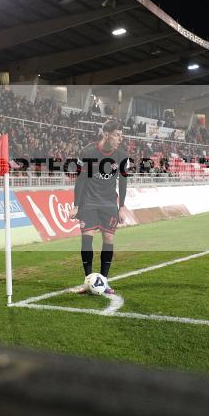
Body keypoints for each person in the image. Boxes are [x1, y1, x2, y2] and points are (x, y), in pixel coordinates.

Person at [68, 120, 129, 294]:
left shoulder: (122, 156)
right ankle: (88, 281)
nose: (120, 139)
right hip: (89, 201)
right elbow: (80, 181)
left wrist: (122, 207)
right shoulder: (88, 152)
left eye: (121, 135)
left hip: (109, 202)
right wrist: (76, 205)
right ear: (106, 134)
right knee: (87, 238)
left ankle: (104, 281)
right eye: (117, 135)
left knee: (108, 239)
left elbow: (124, 182)